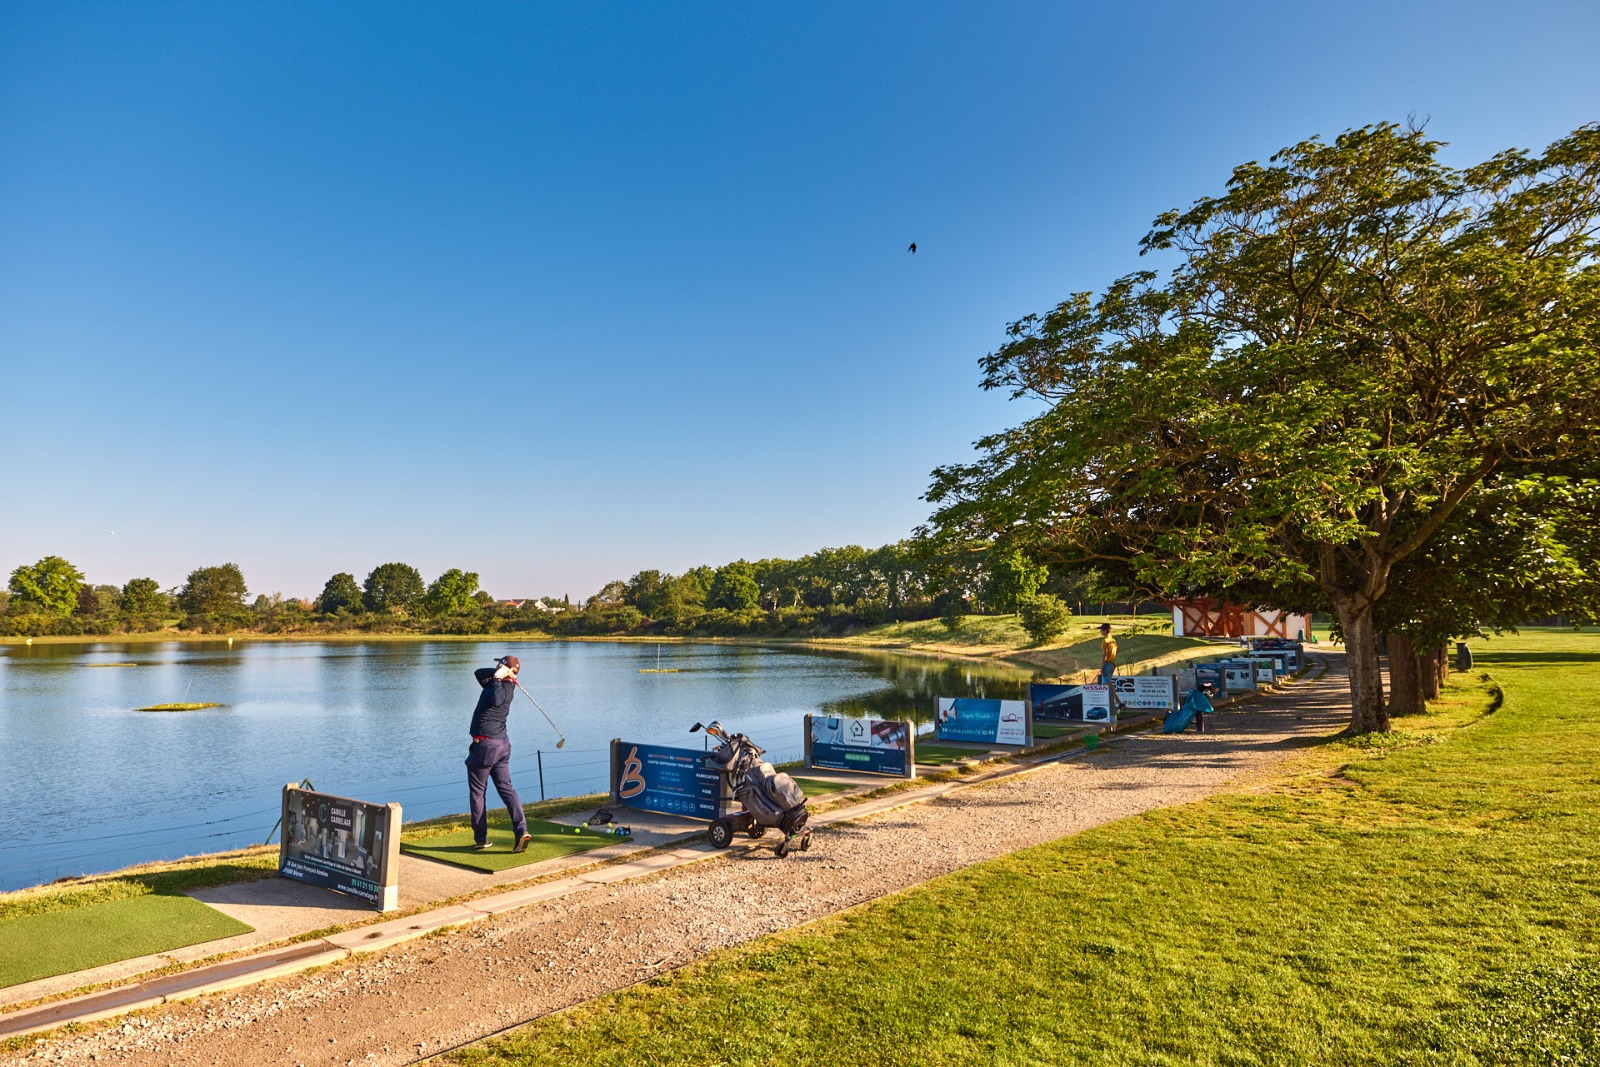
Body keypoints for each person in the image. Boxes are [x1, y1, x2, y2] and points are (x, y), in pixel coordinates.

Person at [466, 655, 533, 853]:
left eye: (500, 664)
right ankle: (521, 831)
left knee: (478, 794)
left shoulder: (502, 688)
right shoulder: (499, 683)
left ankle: (481, 839)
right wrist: (503, 673)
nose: (496, 666)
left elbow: (496, 701)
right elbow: (479, 673)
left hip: (485, 747)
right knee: (506, 789)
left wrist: (499, 678)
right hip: (501, 746)